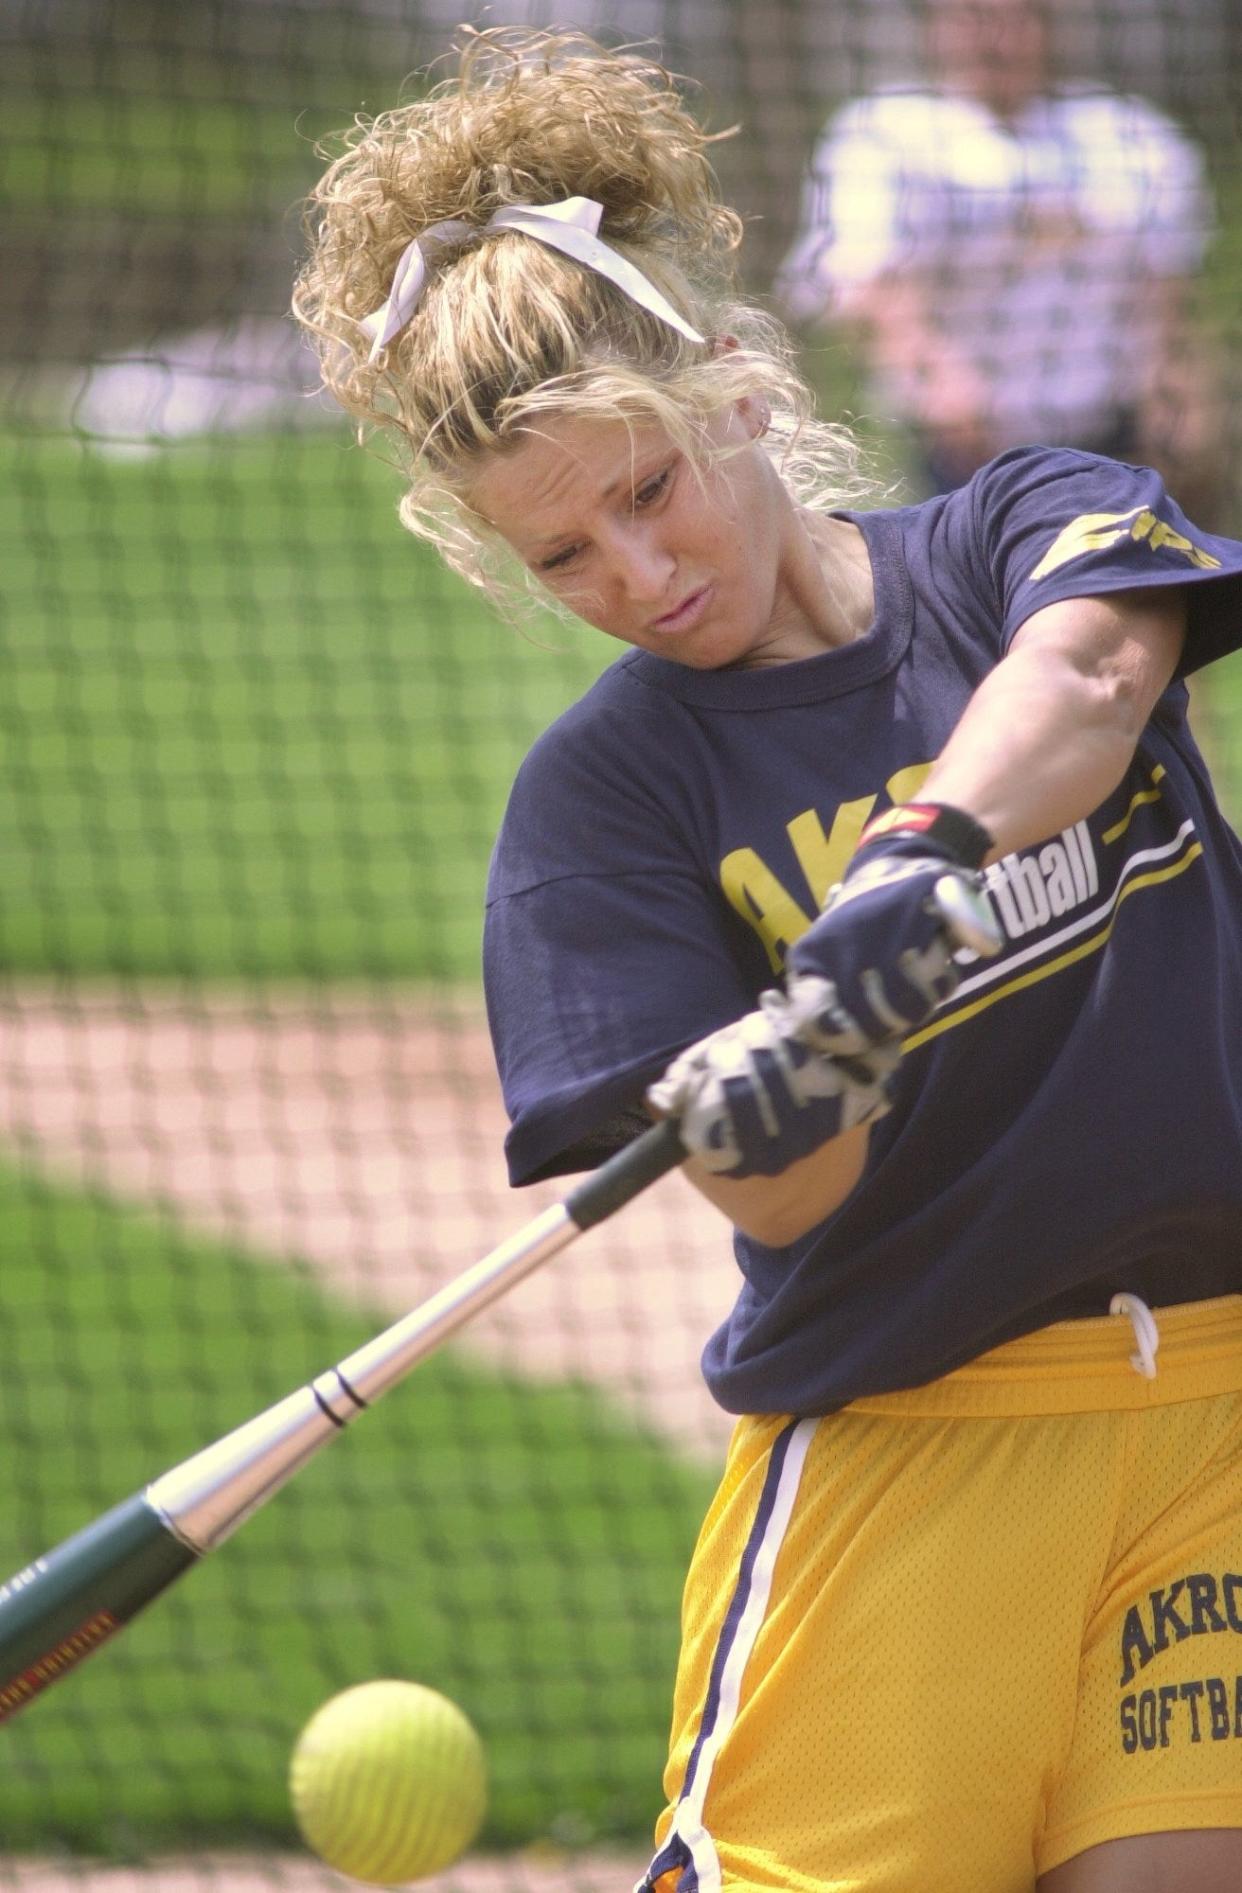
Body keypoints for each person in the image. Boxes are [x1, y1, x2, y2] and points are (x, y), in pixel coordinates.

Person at [293, 27, 1242, 1891]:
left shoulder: (1005, 534)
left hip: (1210, 1403)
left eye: (643, 490)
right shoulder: (608, 802)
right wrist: (793, 1082)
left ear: (728, 387)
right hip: (914, 1445)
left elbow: (1098, 680)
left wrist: (914, 868)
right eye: (562, 554)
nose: (635, 575)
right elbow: (791, 1200)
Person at [775, 0, 1228, 520]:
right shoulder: (883, 133)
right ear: (936, 25)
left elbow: (1167, 295)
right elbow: (872, 288)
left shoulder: (1128, 134)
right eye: (972, 15)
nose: (995, 34)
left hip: (1114, 442)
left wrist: (1180, 403)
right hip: (958, 457)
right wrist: (948, 393)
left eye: (1019, 14)